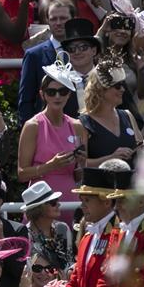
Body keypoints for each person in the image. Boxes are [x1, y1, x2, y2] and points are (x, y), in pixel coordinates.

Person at [18, 60, 89, 204]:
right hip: (41, 200)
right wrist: (51, 166)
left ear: (69, 95)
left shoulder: (77, 126)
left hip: (71, 198)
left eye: (63, 91)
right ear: (42, 94)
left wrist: (82, 163)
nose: (57, 96)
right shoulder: (33, 125)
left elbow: (79, 175)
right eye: (51, 92)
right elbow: (22, 174)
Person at [63, 167, 118, 287]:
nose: (82, 206)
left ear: (106, 202)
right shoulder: (87, 237)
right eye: (81, 200)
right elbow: (75, 280)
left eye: (87, 200)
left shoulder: (117, 234)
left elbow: (109, 282)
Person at [17, 0, 76, 124]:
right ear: (47, 21)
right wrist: (30, 132)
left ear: (73, 20)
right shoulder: (34, 55)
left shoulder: (83, 52)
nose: (58, 23)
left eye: (63, 18)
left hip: (79, 127)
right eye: (53, 19)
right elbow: (26, 100)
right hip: (47, 129)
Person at [80, 56, 143, 168]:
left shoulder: (127, 115)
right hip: (98, 185)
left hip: (130, 184)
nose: (122, 89)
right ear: (100, 89)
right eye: (117, 86)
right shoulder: (83, 123)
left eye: (123, 85)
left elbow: (140, 147)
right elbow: (79, 164)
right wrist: (110, 158)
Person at [21, 181, 74, 271]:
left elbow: (70, 261)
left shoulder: (63, 228)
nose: (58, 204)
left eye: (57, 201)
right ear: (39, 209)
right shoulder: (25, 234)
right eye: (53, 202)